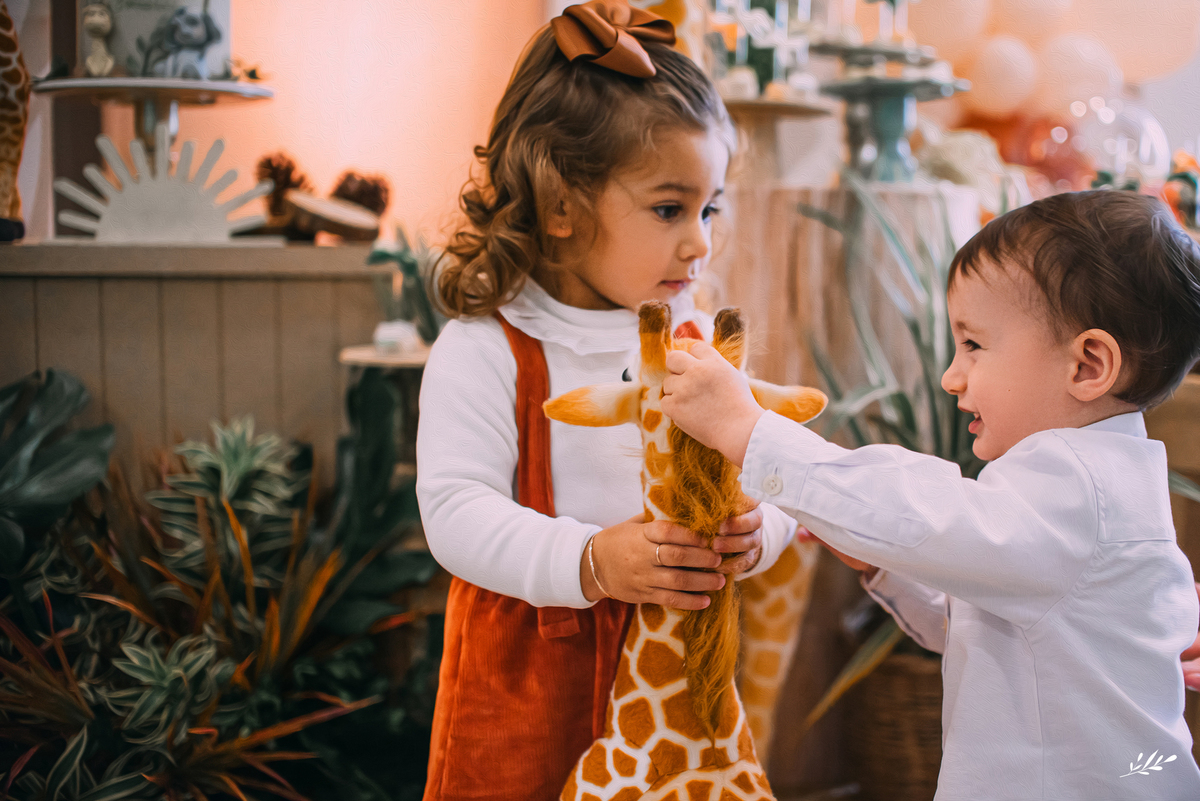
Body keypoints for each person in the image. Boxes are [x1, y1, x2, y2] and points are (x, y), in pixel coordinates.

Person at [661, 190, 1200, 800]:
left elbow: (925, 512)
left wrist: (748, 430)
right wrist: (882, 567)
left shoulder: (1081, 491)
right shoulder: (1098, 486)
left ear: (1087, 366)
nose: (951, 376)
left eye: (973, 345)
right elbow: (999, 629)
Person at [414, 4, 798, 799]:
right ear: (560, 204)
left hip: (670, 665)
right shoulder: (487, 348)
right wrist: (590, 560)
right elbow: (455, 510)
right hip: (526, 670)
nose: (701, 242)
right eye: (669, 209)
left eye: (710, 208)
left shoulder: (693, 347)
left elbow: (767, 459)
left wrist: (762, 528)